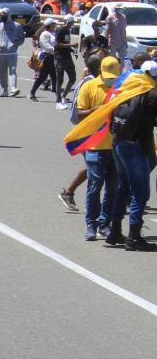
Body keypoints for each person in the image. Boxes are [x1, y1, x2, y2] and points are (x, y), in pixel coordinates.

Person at [107, 61, 157, 251]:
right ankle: (134, 237)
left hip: (118, 142)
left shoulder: (126, 86)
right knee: (140, 192)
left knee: (123, 187)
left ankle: (114, 231)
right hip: (136, 146)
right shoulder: (151, 93)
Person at [74, 56, 119, 242]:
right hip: (95, 145)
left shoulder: (121, 88)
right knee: (94, 187)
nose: (111, 79)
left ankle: (104, 223)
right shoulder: (89, 86)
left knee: (112, 189)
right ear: (101, 71)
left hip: (116, 148)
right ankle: (90, 224)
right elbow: (79, 113)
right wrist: (98, 109)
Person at [0, 9, 24, 97]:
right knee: (2, 72)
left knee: (12, 71)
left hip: (12, 53)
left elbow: (21, 38)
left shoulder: (17, 26)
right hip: (1, 53)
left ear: (9, 14)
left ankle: (13, 88)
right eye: (1, 15)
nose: (2, 17)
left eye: (4, 15)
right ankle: (4, 90)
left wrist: (16, 43)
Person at [29, 19, 60, 102]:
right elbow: (46, 45)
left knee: (54, 76)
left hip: (52, 56)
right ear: (50, 25)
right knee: (42, 77)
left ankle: (58, 96)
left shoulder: (53, 33)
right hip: (46, 57)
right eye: (53, 23)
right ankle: (32, 93)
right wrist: (55, 49)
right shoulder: (45, 34)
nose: (55, 24)